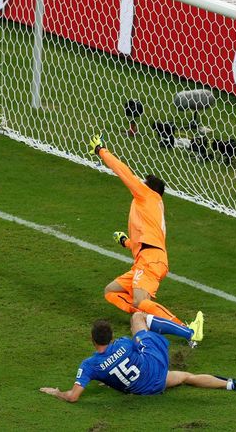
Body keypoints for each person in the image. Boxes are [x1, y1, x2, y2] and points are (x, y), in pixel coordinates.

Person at [40, 312, 236, 402]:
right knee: (138, 317)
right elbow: (131, 350)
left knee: (184, 377)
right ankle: (234, 383)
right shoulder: (124, 343)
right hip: (153, 365)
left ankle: (232, 383)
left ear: (92, 340)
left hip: (147, 387)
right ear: (112, 336)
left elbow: (73, 396)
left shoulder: (90, 366)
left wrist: (57, 392)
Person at [88, 134, 189, 326]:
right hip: (147, 257)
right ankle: (147, 318)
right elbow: (145, 239)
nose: (139, 183)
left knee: (141, 301)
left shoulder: (147, 195)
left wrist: (101, 151)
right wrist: (126, 242)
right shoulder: (151, 205)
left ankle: (185, 328)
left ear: (150, 188)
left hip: (150, 260)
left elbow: (123, 172)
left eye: (143, 181)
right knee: (111, 291)